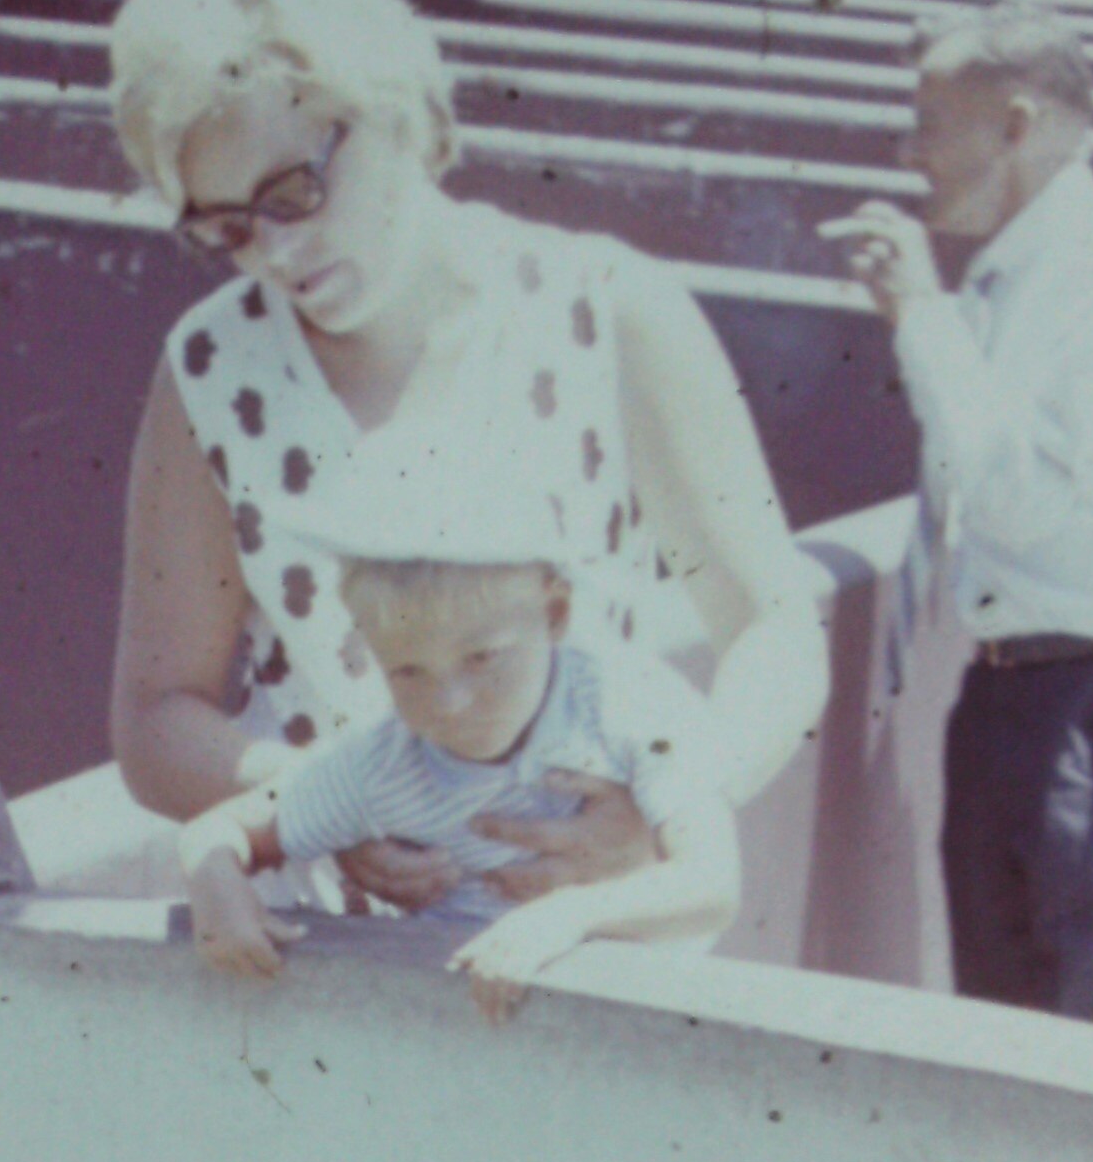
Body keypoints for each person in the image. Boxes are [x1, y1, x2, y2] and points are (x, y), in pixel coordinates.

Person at [105, 0, 827, 981]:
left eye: (295, 193)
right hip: (341, 972)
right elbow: (156, 715)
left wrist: (671, 798)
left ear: (392, 107)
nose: (278, 252)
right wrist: (329, 798)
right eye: (224, 227)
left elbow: (773, 620)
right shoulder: (209, 368)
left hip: (594, 960)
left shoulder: (607, 306)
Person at [820, 3, 1093, 1034]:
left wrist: (920, 312)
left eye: (929, 123)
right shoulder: (1031, 264)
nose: (910, 155)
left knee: (1073, 1042)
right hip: (1020, 696)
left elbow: (1012, 491)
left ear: (1014, 123)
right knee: (1007, 1032)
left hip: (1088, 702)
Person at [177, 430, 741, 1025]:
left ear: (554, 614)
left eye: (482, 659)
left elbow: (711, 884)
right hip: (475, 1026)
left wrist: (566, 916)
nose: (449, 702)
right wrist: (210, 871)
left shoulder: (627, 705)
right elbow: (227, 829)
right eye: (408, 670)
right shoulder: (383, 759)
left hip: (631, 1021)